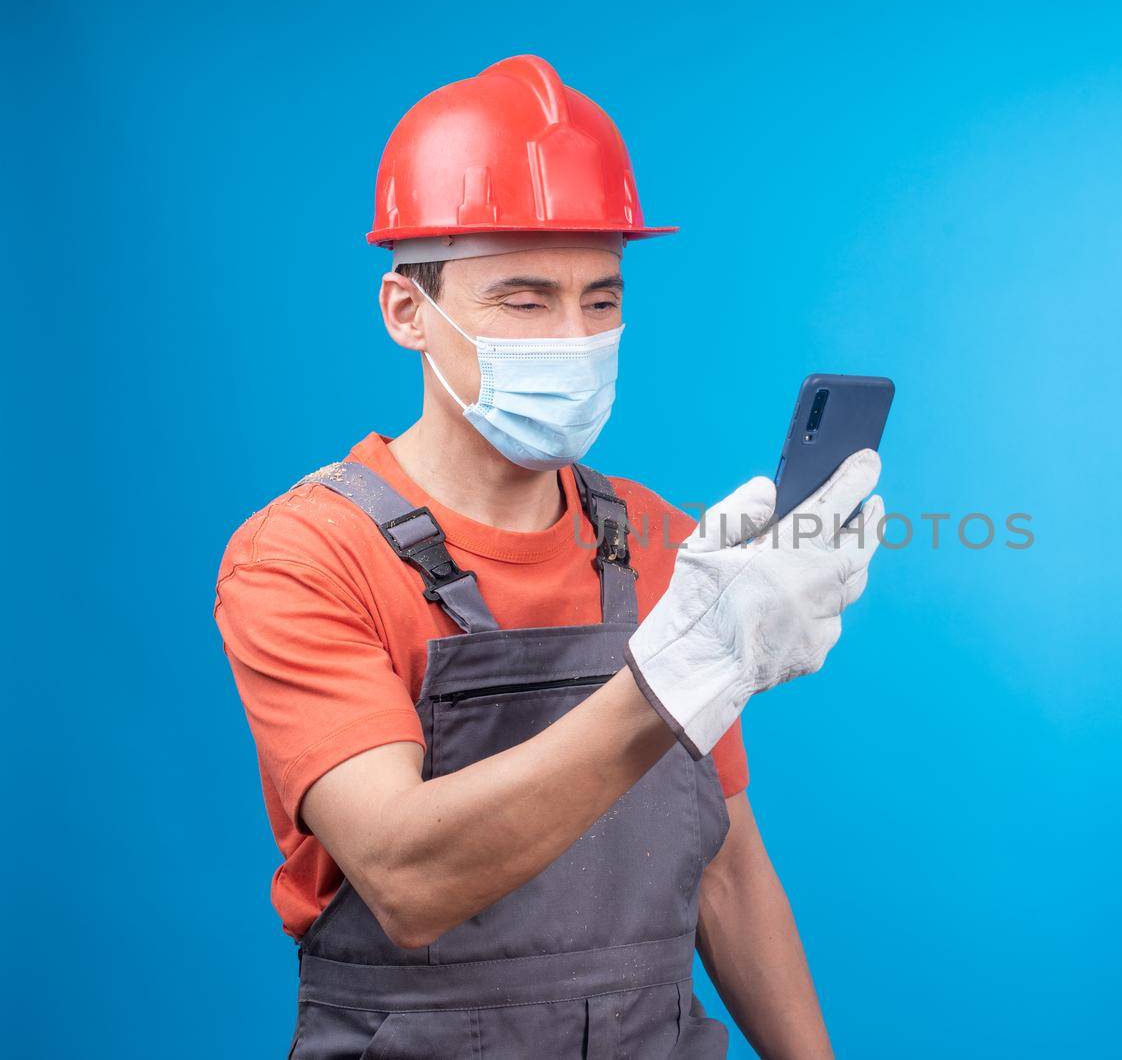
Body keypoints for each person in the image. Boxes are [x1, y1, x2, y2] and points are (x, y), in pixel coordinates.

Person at [214, 54, 886, 1059]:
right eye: (523, 302)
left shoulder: (657, 535)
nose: (572, 338)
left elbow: (726, 868)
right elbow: (408, 878)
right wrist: (687, 667)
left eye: (601, 300)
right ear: (407, 311)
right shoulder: (307, 555)